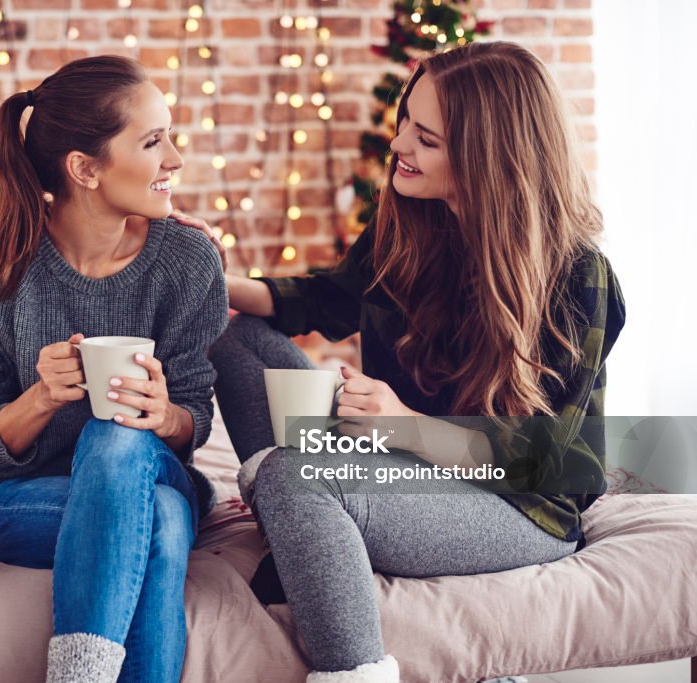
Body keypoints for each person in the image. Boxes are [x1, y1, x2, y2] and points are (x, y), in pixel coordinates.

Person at [178, 41, 626, 682]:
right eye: (404, 124)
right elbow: (320, 300)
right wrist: (210, 276)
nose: (399, 149)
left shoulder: (577, 276)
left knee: (293, 477)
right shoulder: (407, 226)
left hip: (515, 505)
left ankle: (350, 660)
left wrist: (401, 423)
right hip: (395, 459)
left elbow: (557, 461)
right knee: (238, 339)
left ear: (488, 157)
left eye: (427, 139)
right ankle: (304, 518)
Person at [0, 55, 228, 683]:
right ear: (84, 168)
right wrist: (42, 397)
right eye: (153, 141)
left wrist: (164, 412)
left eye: (171, 135)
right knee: (164, 524)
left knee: (118, 430)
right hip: (8, 498)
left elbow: (195, 420)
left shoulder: (188, 261)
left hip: (150, 473)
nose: (175, 158)